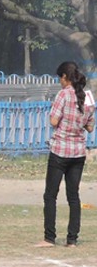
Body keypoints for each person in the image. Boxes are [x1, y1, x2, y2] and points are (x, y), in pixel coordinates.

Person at [35, 61, 95, 248]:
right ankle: (72, 239)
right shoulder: (87, 97)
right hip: (78, 152)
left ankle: (49, 237)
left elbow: (54, 121)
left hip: (60, 150)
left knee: (50, 195)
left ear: (64, 77)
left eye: (60, 78)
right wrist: (80, 122)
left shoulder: (63, 95)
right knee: (73, 196)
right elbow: (90, 126)